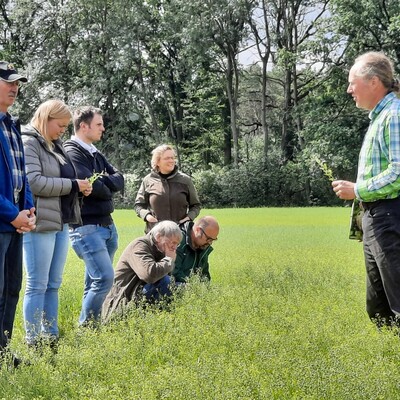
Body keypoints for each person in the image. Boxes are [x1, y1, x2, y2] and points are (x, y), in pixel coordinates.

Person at [332, 51, 400, 327]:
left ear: (373, 82)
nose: (349, 89)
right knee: (379, 307)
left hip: (389, 216)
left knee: (397, 301)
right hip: (377, 218)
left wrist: (358, 190)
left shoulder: (393, 115)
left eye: (352, 82)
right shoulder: (380, 117)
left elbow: (398, 172)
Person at [21, 100, 92, 347]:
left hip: (61, 220)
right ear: (46, 118)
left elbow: (62, 178)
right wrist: (73, 185)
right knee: (37, 284)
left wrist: (80, 186)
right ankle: (32, 340)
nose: (63, 130)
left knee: (53, 284)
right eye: (60, 125)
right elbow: (34, 182)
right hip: (39, 223)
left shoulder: (55, 145)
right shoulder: (29, 142)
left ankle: (50, 336)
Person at [64, 106, 124, 326]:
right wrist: (105, 186)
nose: (103, 128)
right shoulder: (72, 151)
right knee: (104, 279)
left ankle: (92, 327)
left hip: (107, 226)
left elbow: (120, 178)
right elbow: (89, 183)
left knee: (94, 281)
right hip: (86, 228)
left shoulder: (94, 152)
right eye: (99, 124)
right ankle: (87, 328)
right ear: (83, 126)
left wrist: (103, 183)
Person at [0, 61, 36, 366]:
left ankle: (2, 352)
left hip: (14, 223)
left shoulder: (11, 124)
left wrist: (29, 209)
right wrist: (13, 214)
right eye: (9, 81)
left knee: (12, 288)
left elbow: (22, 175)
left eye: (18, 83)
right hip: (3, 221)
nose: (15, 87)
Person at [102, 221, 182, 322]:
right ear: (158, 237)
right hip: (123, 300)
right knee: (165, 282)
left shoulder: (160, 250)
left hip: (138, 294)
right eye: (173, 242)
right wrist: (168, 260)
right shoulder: (140, 246)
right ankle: (148, 321)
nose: (174, 247)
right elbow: (149, 275)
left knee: (182, 287)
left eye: (177, 244)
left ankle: (161, 322)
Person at [134, 144, 201, 233]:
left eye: (172, 158)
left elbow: (196, 205)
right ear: (157, 162)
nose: (171, 161)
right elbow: (138, 205)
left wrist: (188, 218)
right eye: (167, 158)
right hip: (155, 233)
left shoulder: (185, 180)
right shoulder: (148, 180)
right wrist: (147, 216)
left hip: (180, 233)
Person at [173, 216, 219, 283]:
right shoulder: (178, 241)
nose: (210, 243)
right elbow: (173, 273)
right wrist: (193, 286)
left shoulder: (203, 246)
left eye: (213, 240)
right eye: (209, 238)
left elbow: (204, 274)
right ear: (198, 230)